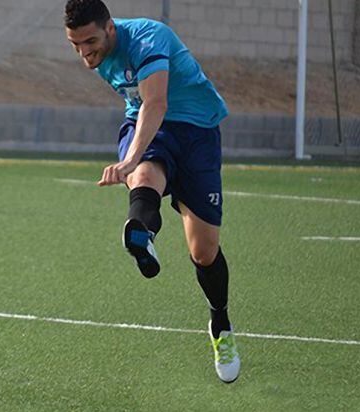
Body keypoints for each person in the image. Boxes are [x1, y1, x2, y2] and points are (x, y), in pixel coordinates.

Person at [64, 0, 240, 383]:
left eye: (90, 42)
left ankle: (220, 324)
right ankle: (142, 234)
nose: (84, 53)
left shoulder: (148, 38)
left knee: (204, 251)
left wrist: (128, 160)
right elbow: (143, 108)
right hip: (147, 126)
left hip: (196, 132)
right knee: (144, 176)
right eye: (75, 45)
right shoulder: (97, 52)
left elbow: (157, 102)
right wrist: (135, 161)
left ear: (110, 28)